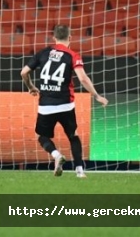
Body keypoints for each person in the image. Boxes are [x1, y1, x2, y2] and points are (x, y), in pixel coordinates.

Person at [20, 24, 108, 178]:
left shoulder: (44, 52)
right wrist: (97, 95)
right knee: (73, 136)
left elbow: (24, 72)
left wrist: (31, 87)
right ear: (70, 37)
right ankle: (80, 171)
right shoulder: (73, 55)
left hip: (46, 105)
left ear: (54, 37)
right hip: (66, 104)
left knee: (42, 136)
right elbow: (83, 78)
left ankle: (56, 155)